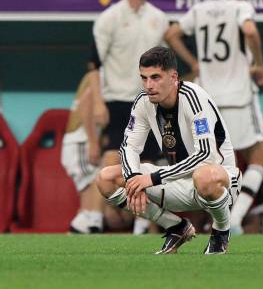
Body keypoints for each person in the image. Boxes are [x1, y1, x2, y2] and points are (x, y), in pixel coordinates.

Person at [96, 47, 241, 254]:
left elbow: (205, 155)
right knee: (106, 178)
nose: (149, 85)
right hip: (176, 181)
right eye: (144, 78)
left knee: (204, 175)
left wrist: (152, 178)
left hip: (220, 181)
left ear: (173, 77)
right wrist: (134, 179)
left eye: (155, 77)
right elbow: (129, 146)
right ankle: (176, 227)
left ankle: (221, 232)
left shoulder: (193, 97)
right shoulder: (143, 102)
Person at [165, 0, 263, 235]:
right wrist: (259, 64)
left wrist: (193, 63)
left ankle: (217, 220)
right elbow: (250, 31)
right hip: (239, 97)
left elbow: (172, 34)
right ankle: (234, 219)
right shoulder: (240, 8)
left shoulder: (199, 9)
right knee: (259, 157)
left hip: (208, 102)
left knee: (213, 165)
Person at [89, 0, 168, 233]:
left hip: (149, 102)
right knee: (112, 162)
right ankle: (95, 221)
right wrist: (98, 102)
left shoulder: (160, 18)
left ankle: (147, 226)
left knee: (151, 165)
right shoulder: (109, 18)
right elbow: (93, 66)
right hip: (118, 101)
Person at [61, 72, 106, 233]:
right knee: (97, 178)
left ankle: (80, 229)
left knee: (87, 202)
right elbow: (86, 105)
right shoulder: (101, 75)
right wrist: (93, 142)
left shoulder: (96, 75)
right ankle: (80, 226)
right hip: (80, 142)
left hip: (78, 142)